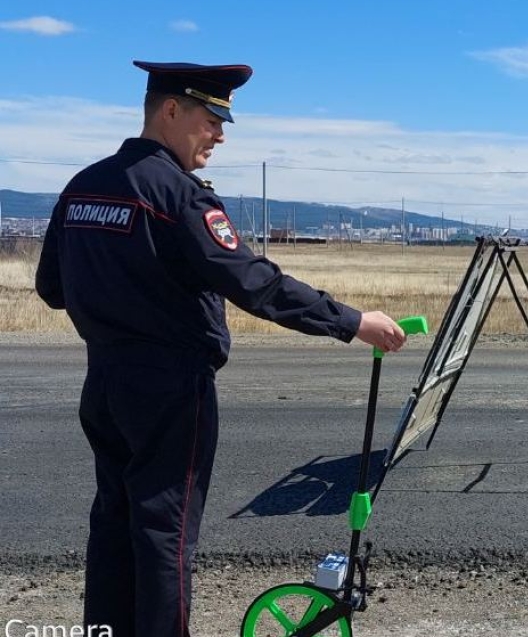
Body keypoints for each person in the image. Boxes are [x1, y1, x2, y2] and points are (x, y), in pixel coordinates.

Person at [34, 60, 406, 637]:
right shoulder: (177, 195)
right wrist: (353, 321)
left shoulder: (83, 185)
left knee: (113, 522)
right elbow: (254, 283)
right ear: (172, 110)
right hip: (170, 390)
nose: (220, 134)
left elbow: (51, 289)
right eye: (212, 118)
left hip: (104, 383)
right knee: (165, 532)